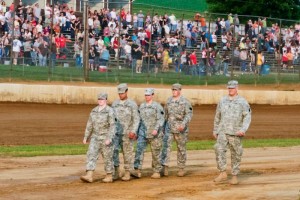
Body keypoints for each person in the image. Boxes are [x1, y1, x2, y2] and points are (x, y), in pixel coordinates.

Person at [213, 80, 252, 185]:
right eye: (229, 88)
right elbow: (217, 115)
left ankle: (234, 175)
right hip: (223, 131)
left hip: (236, 133)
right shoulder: (222, 100)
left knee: (236, 154)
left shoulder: (242, 102)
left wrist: (243, 129)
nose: (231, 89)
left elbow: (247, 117)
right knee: (218, 149)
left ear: (237, 88)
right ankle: (222, 172)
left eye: (233, 88)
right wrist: (215, 129)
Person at [80, 92, 116, 183]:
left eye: (102, 99)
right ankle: (89, 175)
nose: (100, 101)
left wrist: (109, 138)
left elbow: (112, 126)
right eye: (99, 99)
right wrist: (86, 136)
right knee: (91, 154)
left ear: (106, 100)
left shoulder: (110, 111)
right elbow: (90, 124)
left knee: (107, 157)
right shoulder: (94, 111)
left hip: (105, 137)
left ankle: (109, 175)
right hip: (95, 137)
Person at [131, 88, 165, 179]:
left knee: (155, 152)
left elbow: (161, 119)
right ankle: (137, 170)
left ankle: (157, 171)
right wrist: (137, 132)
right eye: (146, 95)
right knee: (139, 150)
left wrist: (156, 129)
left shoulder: (157, 106)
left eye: (149, 95)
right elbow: (139, 120)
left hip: (155, 133)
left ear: (152, 95)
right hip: (143, 132)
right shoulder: (142, 106)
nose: (147, 97)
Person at [162, 83, 193, 177]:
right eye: (173, 90)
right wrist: (163, 127)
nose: (174, 91)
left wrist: (183, 124)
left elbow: (189, 114)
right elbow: (165, 115)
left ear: (180, 90)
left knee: (181, 148)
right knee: (166, 148)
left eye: (176, 90)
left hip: (181, 130)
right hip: (169, 128)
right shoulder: (169, 101)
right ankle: (165, 167)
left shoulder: (185, 102)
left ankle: (181, 168)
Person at [112, 83, 140, 181]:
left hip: (127, 133)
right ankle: (116, 171)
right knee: (114, 151)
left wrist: (133, 131)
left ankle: (127, 172)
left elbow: (136, 119)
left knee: (127, 153)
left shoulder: (132, 104)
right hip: (116, 133)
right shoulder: (115, 104)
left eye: (122, 93)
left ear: (127, 91)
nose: (120, 95)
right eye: (119, 93)